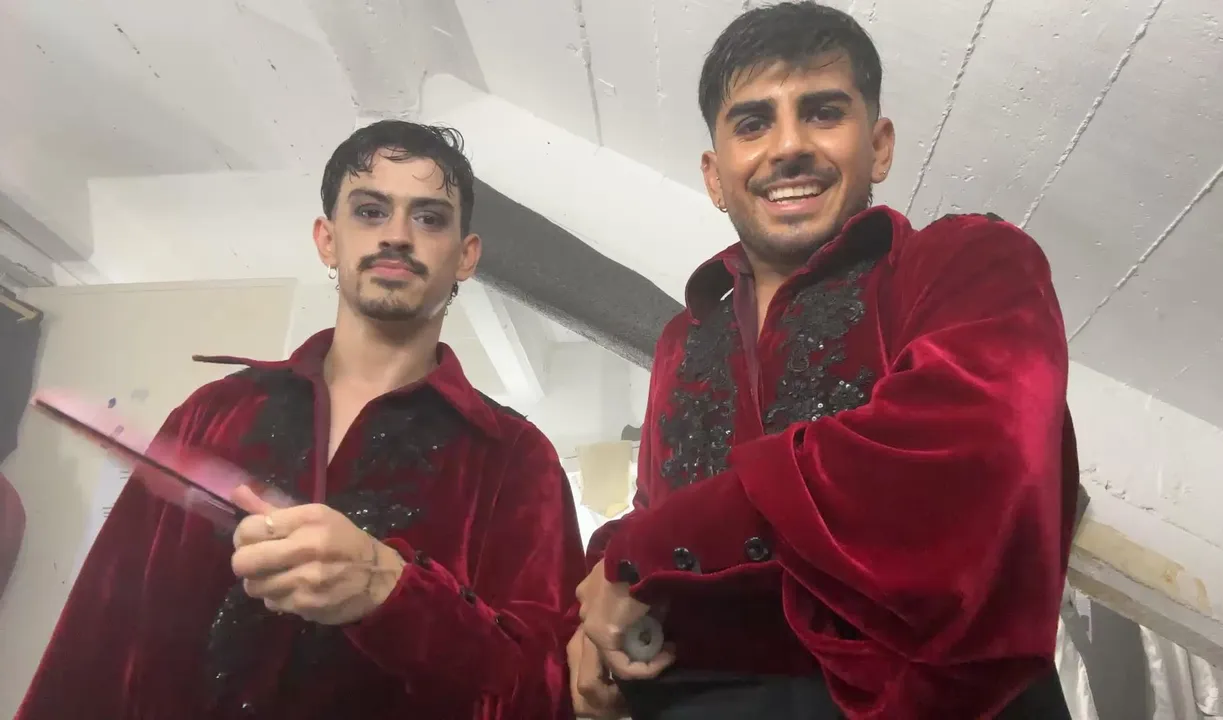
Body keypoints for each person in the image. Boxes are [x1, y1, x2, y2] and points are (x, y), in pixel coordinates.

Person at [570, 3, 1079, 719]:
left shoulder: (965, 261)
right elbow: (654, 507)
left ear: (879, 146)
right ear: (714, 175)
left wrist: (640, 557)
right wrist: (595, 593)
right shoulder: (682, 341)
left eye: (823, 112)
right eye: (753, 123)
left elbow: (977, 454)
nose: (788, 147)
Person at [17, 120, 585, 719]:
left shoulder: (517, 459)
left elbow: (545, 695)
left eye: (429, 218)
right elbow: (98, 640)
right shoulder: (211, 416)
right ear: (327, 240)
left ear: (465, 256)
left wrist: (390, 591)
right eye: (370, 211)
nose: (397, 235)